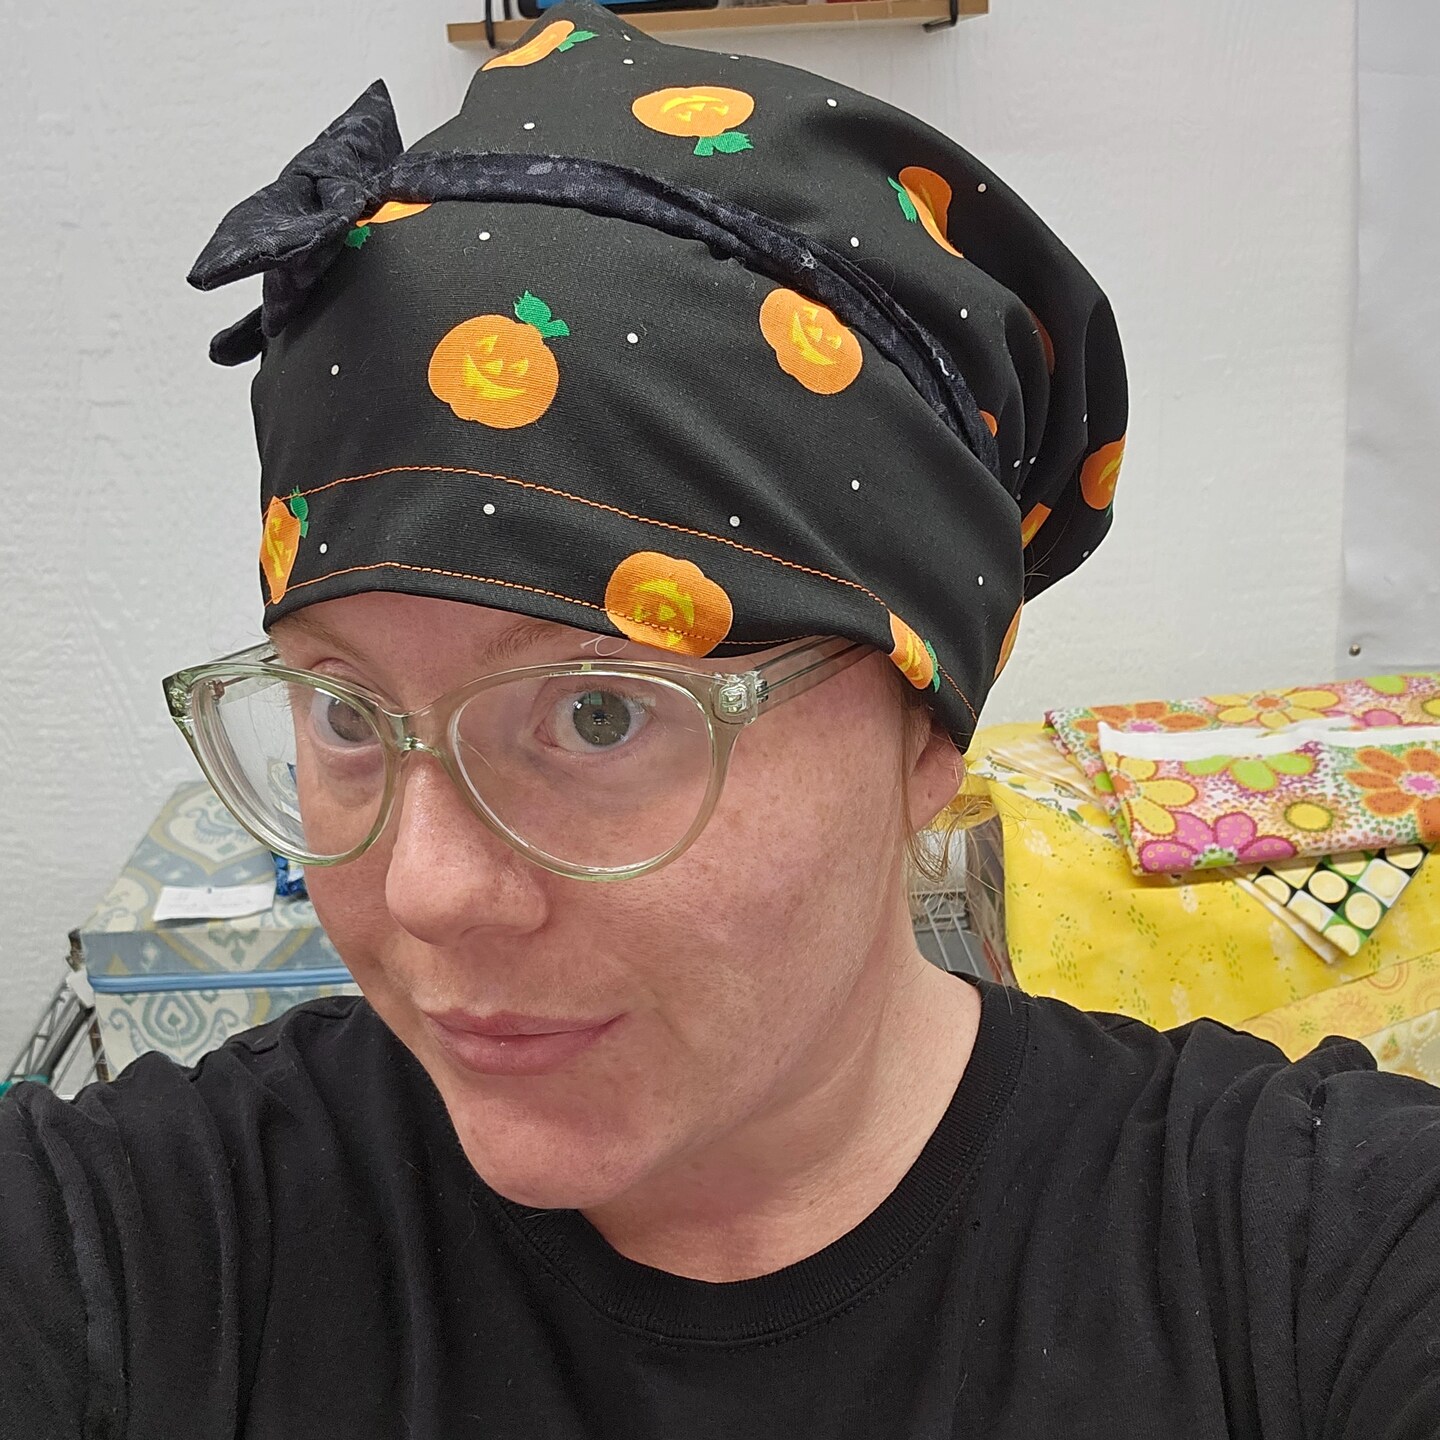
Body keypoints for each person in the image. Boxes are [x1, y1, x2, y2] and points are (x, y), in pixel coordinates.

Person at [4, 2, 1439, 1434]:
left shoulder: (1300, 1262)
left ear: (926, 733)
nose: (426, 890)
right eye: (345, 713)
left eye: (598, 716)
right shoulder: (163, 1244)